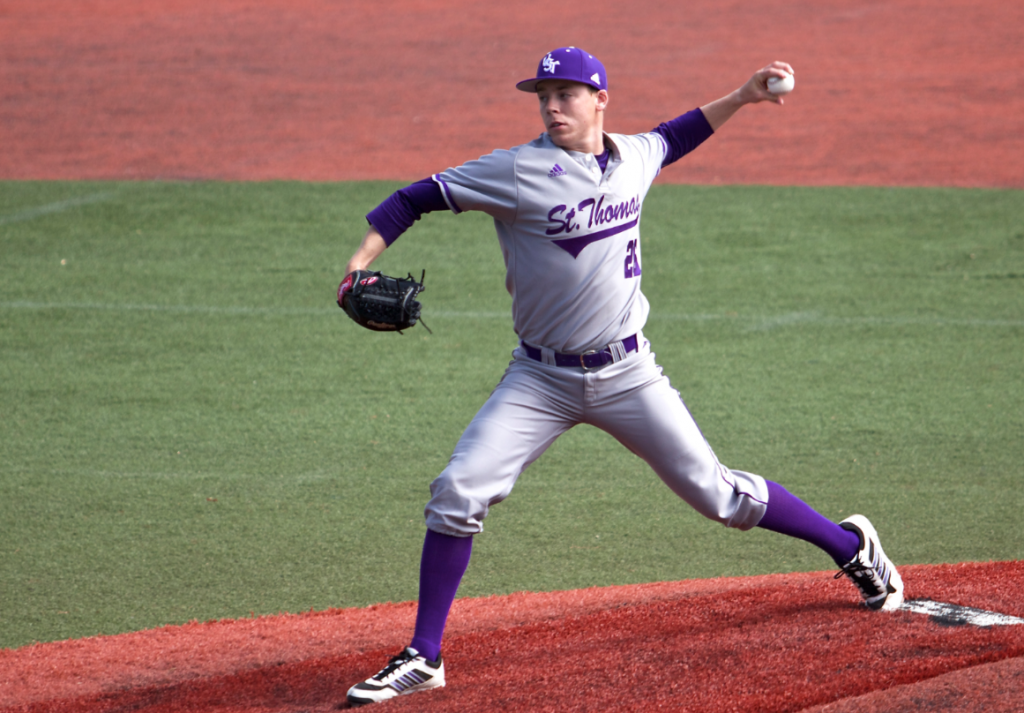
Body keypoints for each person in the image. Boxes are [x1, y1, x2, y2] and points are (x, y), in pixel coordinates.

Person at [340, 47, 903, 707]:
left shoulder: (634, 156)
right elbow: (415, 198)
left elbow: (676, 136)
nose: (552, 106)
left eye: (567, 93)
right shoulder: (517, 171)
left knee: (721, 496)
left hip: (629, 373)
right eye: (543, 95)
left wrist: (744, 96)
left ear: (600, 98)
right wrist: (357, 266)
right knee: (458, 489)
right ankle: (423, 654)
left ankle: (851, 544)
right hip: (539, 379)